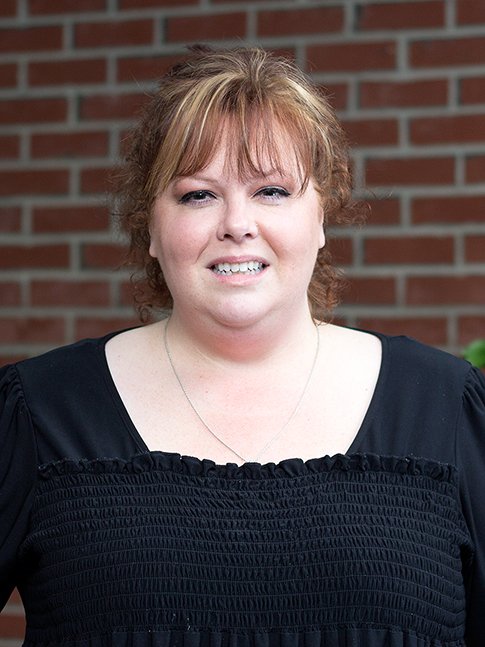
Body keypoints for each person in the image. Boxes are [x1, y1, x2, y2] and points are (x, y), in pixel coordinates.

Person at [0, 46, 484, 647]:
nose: (236, 223)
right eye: (197, 195)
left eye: (272, 191)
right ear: (151, 227)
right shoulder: (38, 411)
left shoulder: (447, 408)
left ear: (321, 217)